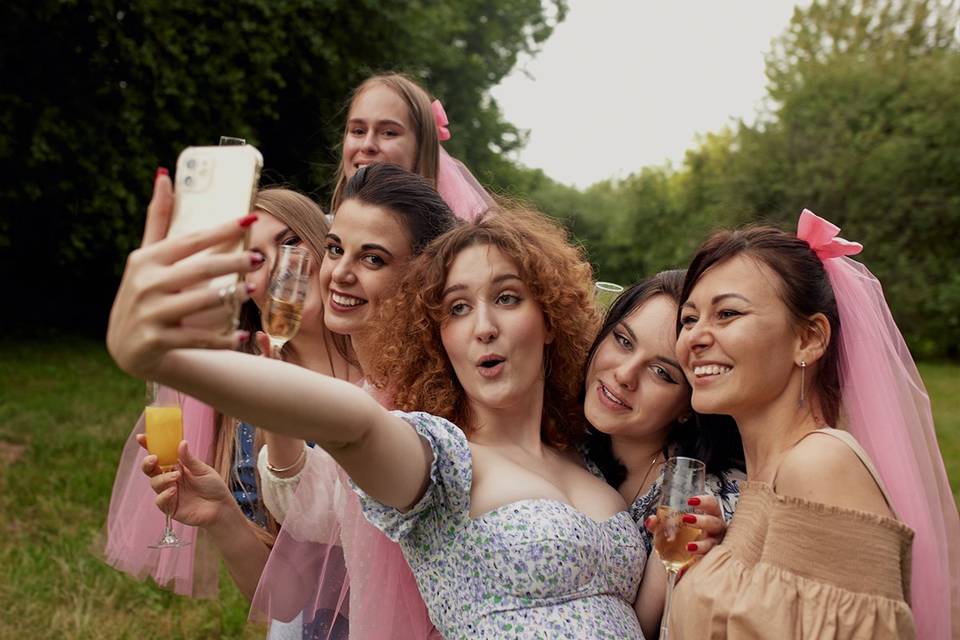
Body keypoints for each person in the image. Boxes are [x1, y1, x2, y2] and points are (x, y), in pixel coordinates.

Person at [106, 203, 654, 637]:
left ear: (550, 318)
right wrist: (171, 359)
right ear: (440, 336)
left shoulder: (588, 455)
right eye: (458, 308)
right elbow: (356, 425)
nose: (483, 325)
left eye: (507, 298)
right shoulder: (441, 461)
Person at [665, 210, 960, 639]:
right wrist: (722, 555)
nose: (695, 337)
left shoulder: (820, 465)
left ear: (809, 339)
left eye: (727, 314)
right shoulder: (769, 479)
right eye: (689, 319)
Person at [100, 184, 353, 598]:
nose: (277, 265)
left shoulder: (397, 367)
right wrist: (222, 515)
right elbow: (283, 599)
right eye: (254, 258)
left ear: (327, 245)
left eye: (290, 241)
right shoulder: (249, 412)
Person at [582, 271, 744, 638]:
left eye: (661, 372)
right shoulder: (559, 443)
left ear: (689, 403)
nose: (625, 374)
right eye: (623, 340)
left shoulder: (709, 499)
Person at [330, 72, 491, 221]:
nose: (367, 145)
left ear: (421, 149)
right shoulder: (318, 237)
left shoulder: (452, 248)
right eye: (358, 131)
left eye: (389, 133)